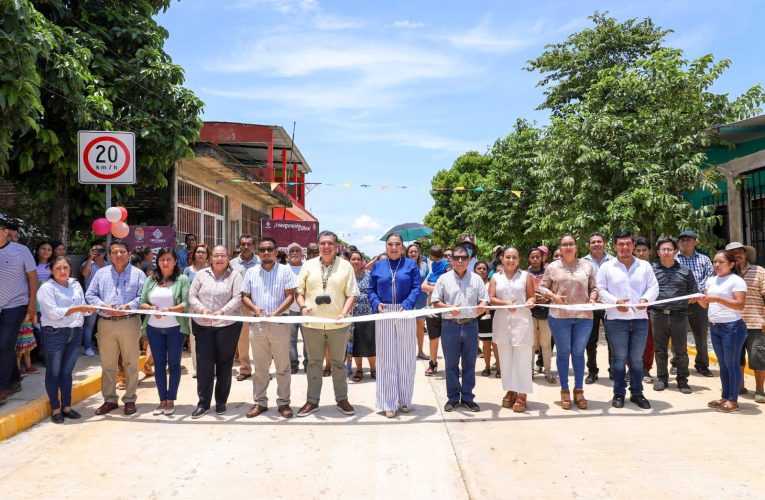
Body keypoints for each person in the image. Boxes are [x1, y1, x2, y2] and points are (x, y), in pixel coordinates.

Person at [295, 231, 358, 417]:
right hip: (312, 325)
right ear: (318, 245)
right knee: (314, 363)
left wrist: (343, 313)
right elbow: (299, 292)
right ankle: (312, 401)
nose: (326, 246)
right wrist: (303, 307)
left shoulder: (345, 266)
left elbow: (352, 294)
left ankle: (342, 399)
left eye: (330, 243)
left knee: (339, 363)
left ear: (336, 246)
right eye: (323, 243)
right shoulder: (308, 265)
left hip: (338, 325)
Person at [597, 232, 659, 410]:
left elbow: (653, 287)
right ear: (615, 247)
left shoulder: (644, 266)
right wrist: (616, 302)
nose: (624, 247)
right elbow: (600, 290)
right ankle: (619, 393)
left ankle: (637, 393)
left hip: (640, 319)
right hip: (616, 320)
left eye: (628, 244)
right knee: (619, 359)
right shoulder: (607, 267)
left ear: (633, 246)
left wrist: (645, 301)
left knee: (637, 360)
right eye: (620, 244)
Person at [85, 240, 146, 416]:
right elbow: (90, 294)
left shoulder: (138, 274)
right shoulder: (101, 273)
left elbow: (143, 296)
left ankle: (130, 399)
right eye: (114, 252)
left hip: (129, 321)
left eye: (122, 252)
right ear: (109, 255)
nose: (118, 255)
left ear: (128, 253)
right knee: (108, 363)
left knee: (131, 362)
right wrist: (103, 305)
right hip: (105, 323)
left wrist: (129, 306)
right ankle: (110, 399)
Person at [539, 235, 598, 410]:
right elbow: (542, 287)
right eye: (564, 245)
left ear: (576, 247)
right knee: (564, 353)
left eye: (571, 244)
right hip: (559, 317)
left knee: (579, 353)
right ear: (560, 248)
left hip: (584, 317)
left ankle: (579, 390)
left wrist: (593, 297)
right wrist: (552, 296)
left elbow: (594, 287)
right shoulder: (552, 267)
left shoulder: (587, 265)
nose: (568, 247)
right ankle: (564, 389)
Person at [241, 237, 297, 419]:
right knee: (260, 368)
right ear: (258, 252)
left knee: (282, 367)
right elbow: (245, 296)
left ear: (276, 251)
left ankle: (284, 403)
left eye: (269, 249)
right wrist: (254, 309)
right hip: (257, 326)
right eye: (263, 249)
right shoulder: (251, 273)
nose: (266, 252)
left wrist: (276, 313)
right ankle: (260, 403)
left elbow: (290, 296)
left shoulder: (285, 271)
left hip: (279, 324)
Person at [37, 256, 97, 423]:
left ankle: (67, 407)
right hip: (55, 333)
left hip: (75, 332)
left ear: (70, 269)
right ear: (51, 270)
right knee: (54, 372)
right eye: (58, 268)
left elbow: (83, 306)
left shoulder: (75, 284)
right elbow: (53, 313)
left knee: (66, 372)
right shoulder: (47, 288)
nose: (62, 271)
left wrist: (90, 310)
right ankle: (56, 408)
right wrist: (79, 308)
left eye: (65, 268)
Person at [431, 244, 489, 413]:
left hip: (471, 325)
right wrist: (448, 307)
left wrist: (482, 306)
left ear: (469, 260)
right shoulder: (444, 279)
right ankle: (453, 398)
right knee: (451, 364)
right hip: (450, 326)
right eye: (456, 258)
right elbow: (435, 302)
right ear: (451, 259)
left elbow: (484, 300)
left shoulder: (476, 279)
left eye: (463, 258)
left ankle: (468, 397)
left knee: (470, 363)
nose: (460, 261)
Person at [369, 233, 421, 418]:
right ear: (386, 247)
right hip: (383, 312)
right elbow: (371, 289)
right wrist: (376, 303)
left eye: (397, 244)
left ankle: (405, 399)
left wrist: (407, 304)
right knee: (386, 358)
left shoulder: (410, 265)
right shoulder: (378, 265)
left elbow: (416, 288)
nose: (393, 248)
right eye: (390, 244)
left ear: (402, 247)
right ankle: (389, 402)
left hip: (405, 311)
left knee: (406, 357)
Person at [188, 245, 243, 418]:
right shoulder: (201, 274)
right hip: (203, 325)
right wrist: (202, 310)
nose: (219, 259)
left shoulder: (235, 275)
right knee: (204, 364)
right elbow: (192, 296)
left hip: (227, 326)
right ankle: (203, 403)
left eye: (223, 255)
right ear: (210, 257)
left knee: (224, 365)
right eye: (216, 255)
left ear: (228, 258)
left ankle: (221, 402)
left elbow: (238, 297)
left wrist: (222, 312)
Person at [139, 247, 190, 416]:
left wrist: (170, 309)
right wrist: (153, 309)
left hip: (175, 329)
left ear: (175, 261)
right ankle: (161, 400)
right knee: (159, 366)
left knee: (174, 365)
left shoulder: (182, 279)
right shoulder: (151, 280)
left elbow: (185, 303)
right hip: (154, 329)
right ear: (157, 261)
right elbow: (142, 302)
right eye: (162, 260)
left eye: (169, 259)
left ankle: (170, 400)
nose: (165, 263)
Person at [698, 250, 748, 413]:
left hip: (732, 328)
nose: (717, 265)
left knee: (732, 364)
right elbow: (706, 305)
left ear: (732, 264)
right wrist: (699, 299)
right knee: (723, 365)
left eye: (721, 262)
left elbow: (740, 305)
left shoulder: (736, 281)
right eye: (715, 262)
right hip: (715, 326)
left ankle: (733, 400)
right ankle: (725, 396)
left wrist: (717, 299)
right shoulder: (711, 281)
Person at [489, 247, 536, 412]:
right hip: (502, 322)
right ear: (502, 258)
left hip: (521, 321)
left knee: (522, 358)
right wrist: (506, 304)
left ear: (519, 259)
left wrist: (530, 301)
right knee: (506, 358)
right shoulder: (495, 277)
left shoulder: (525, 276)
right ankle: (511, 389)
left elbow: (532, 296)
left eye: (514, 257)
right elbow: (492, 298)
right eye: (507, 257)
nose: (510, 260)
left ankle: (522, 393)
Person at [650, 236, 697, 394]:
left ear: (676, 251)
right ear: (658, 252)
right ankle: (662, 379)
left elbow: (693, 293)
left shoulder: (685, 271)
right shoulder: (651, 270)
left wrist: (681, 303)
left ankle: (683, 380)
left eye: (669, 249)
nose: (666, 252)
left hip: (679, 316)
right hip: (658, 315)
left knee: (681, 350)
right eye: (663, 249)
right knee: (660, 349)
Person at [0, 218, 38, 403]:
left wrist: (32, 304)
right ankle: (15, 381)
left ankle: (2, 387)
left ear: (5, 231)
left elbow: (32, 277)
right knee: (5, 346)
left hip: (15, 304)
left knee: (4, 344)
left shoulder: (21, 251)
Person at [725, 242, 765, 402]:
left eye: (739, 252)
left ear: (745, 254)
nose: (737, 255)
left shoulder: (759, 271)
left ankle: (760, 390)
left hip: (755, 322)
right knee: (736, 358)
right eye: (732, 253)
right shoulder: (725, 274)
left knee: (759, 357)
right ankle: (740, 386)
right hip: (731, 323)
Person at [676, 230, 714, 377]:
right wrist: (686, 295)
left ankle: (702, 364)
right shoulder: (674, 259)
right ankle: (677, 363)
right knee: (678, 334)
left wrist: (696, 295)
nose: (686, 242)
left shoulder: (704, 259)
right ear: (679, 243)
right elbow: (673, 278)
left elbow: (709, 278)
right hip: (680, 302)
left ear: (695, 242)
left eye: (689, 239)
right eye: (683, 240)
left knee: (701, 335)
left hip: (700, 302)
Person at [582, 232, 614, 384]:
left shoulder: (614, 261)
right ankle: (592, 371)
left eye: (599, 241)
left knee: (612, 340)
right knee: (590, 341)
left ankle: (614, 370)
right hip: (590, 307)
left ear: (604, 243)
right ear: (589, 245)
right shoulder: (582, 262)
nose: (596, 244)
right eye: (593, 242)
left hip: (609, 307)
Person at [230, 234, 260, 382]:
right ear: (239, 246)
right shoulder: (232, 264)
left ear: (254, 246)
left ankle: (262, 370)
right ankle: (245, 368)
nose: (246, 247)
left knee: (261, 338)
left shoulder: (261, 262)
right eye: (243, 244)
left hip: (260, 304)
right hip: (241, 305)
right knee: (243, 339)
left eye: (249, 244)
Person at [421, 244, 449, 376]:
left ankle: (452, 365)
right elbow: (423, 287)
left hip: (447, 310)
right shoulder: (433, 272)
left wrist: (434, 289)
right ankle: (433, 363)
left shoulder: (442, 271)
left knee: (449, 339)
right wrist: (438, 289)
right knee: (433, 338)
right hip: (433, 310)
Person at [182, 243, 209, 378]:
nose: (200, 254)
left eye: (203, 252)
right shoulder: (187, 270)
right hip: (193, 308)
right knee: (194, 338)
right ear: (194, 254)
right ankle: (196, 367)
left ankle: (210, 367)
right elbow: (185, 289)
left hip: (209, 307)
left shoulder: (212, 269)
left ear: (207, 255)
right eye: (198, 252)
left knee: (210, 338)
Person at [528, 247, 554, 383]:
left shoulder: (548, 272)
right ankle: (529, 371)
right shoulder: (525, 274)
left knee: (546, 342)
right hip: (530, 312)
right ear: (529, 258)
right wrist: (533, 297)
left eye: (538, 256)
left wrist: (547, 298)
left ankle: (548, 370)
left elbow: (554, 289)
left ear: (542, 258)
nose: (535, 259)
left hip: (546, 311)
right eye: (532, 257)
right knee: (531, 343)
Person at [349, 250, 376, 382]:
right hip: (353, 315)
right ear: (349, 261)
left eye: (358, 259)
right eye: (353, 259)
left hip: (369, 314)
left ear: (362, 261)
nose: (355, 261)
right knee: (356, 346)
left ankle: (373, 369)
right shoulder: (346, 276)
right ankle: (359, 370)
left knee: (370, 344)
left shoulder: (370, 275)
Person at [634, 236, 656, 383]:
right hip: (631, 310)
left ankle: (646, 368)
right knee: (632, 341)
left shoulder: (655, 268)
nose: (641, 253)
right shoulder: (629, 267)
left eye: (644, 250)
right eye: (638, 250)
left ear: (650, 252)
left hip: (651, 310)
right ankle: (632, 369)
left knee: (649, 341)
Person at [80, 240, 107, 357]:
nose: (98, 253)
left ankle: (102, 346)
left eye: (100, 250)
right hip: (91, 299)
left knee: (104, 324)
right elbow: (84, 274)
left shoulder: (108, 265)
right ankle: (87, 347)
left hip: (106, 299)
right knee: (89, 325)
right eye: (95, 250)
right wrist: (90, 258)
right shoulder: (88, 264)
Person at [286, 242, 307, 374]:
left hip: (306, 309)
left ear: (302, 254)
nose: (294, 252)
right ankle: (293, 363)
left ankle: (308, 363)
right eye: (292, 251)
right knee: (290, 339)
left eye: (297, 250)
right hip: (289, 309)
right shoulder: (283, 269)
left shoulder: (307, 268)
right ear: (288, 255)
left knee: (308, 338)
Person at [474, 261, 498, 378]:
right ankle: (487, 367)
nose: (482, 270)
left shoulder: (492, 283)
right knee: (486, 343)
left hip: (494, 316)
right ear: (474, 270)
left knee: (496, 343)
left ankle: (499, 368)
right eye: (479, 268)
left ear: (488, 271)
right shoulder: (472, 285)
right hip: (480, 317)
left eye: (484, 268)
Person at [407, 243, 430, 361]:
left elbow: (428, 281)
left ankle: (420, 351)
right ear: (407, 253)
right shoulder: (403, 265)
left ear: (419, 252)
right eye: (411, 251)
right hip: (407, 300)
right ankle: (408, 352)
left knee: (420, 327)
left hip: (421, 299)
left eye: (415, 251)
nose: (413, 253)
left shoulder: (425, 265)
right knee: (407, 328)